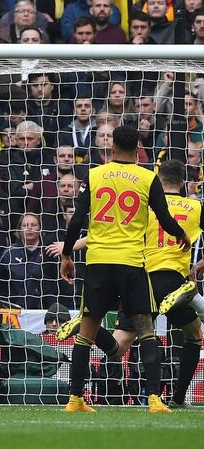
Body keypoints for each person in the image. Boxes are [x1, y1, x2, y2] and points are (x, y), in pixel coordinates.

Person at [59, 126, 190, 413]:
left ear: (112, 146)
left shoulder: (94, 175)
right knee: (146, 329)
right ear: (138, 149)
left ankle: (75, 399)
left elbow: (76, 220)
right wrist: (181, 234)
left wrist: (67, 254)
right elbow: (165, 218)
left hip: (98, 264)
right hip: (132, 264)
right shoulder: (147, 177)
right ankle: (155, 399)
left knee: (87, 331)